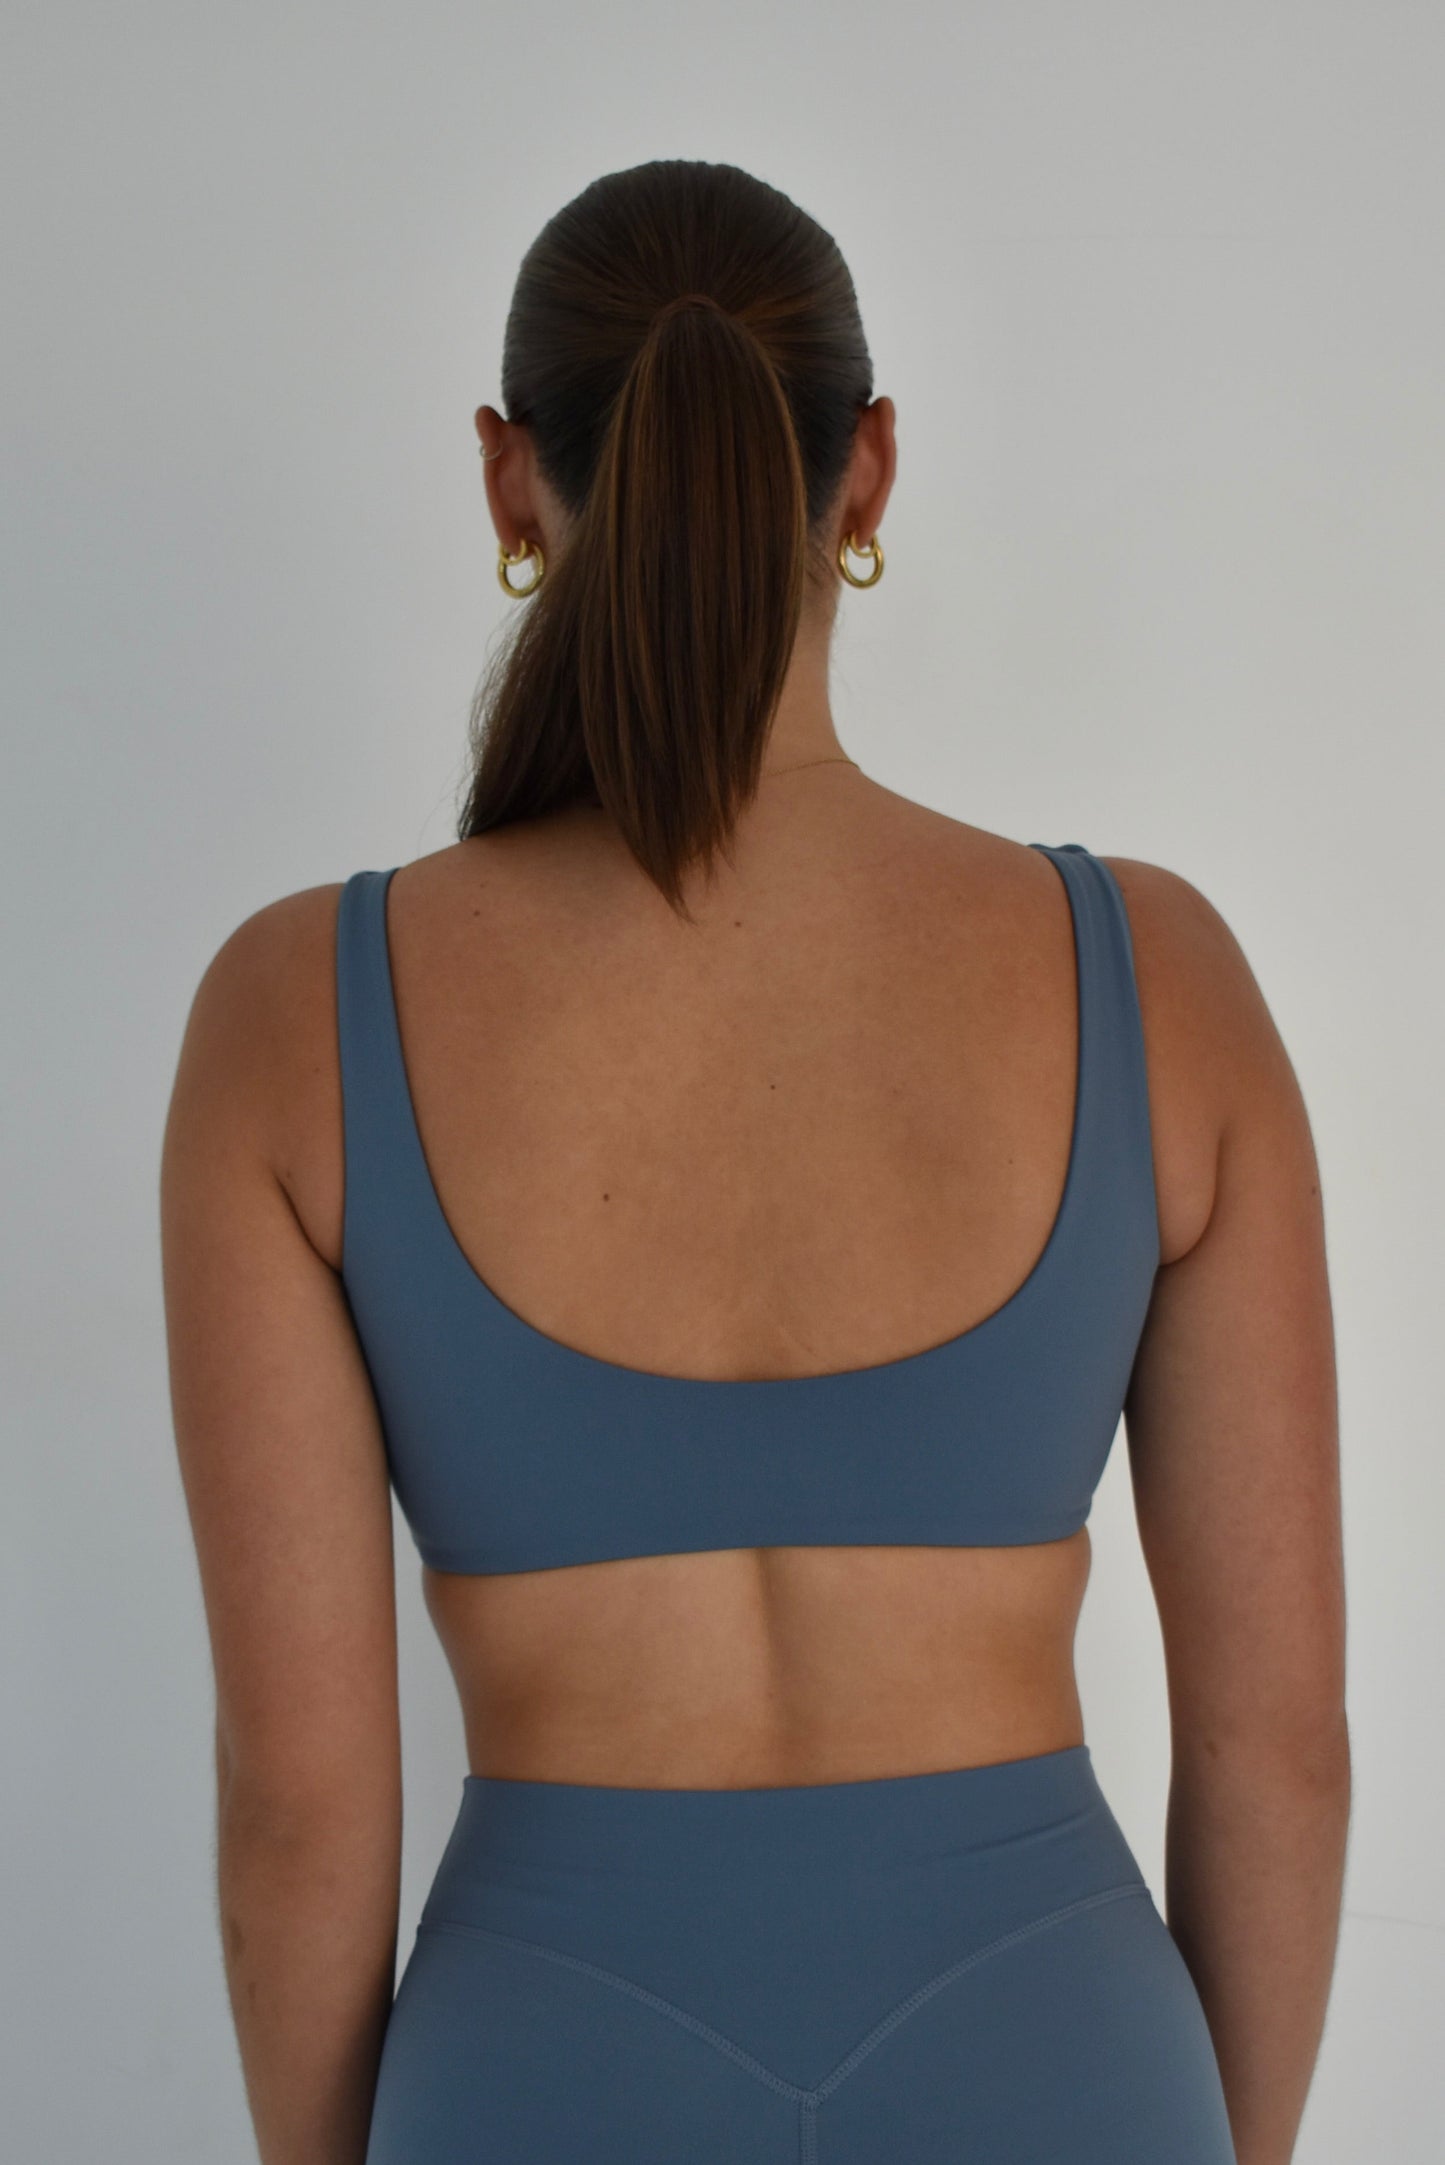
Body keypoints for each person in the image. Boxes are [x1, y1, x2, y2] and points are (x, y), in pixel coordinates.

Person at [160, 157, 1348, 2165]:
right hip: (1059, 2065)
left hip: (544, 2074)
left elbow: (298, 1811)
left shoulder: (301, 1014)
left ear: (509, 480)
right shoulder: (1152, 977)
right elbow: (1282, 1752)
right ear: (864, 468)